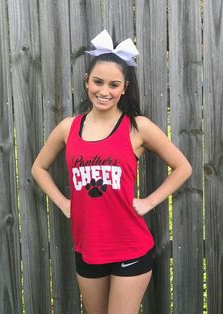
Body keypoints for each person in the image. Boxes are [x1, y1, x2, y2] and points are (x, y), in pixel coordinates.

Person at [31, 30, 192, 314]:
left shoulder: (137, 127)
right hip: (88, 248)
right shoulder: (69, 128)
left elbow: (183, 167)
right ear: (86, 82)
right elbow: (39, 168)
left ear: (124, 88)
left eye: (113, 84)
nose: (104, 91)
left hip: (130, 246)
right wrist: (63, 203)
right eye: (98, 82)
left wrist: (148, 202)